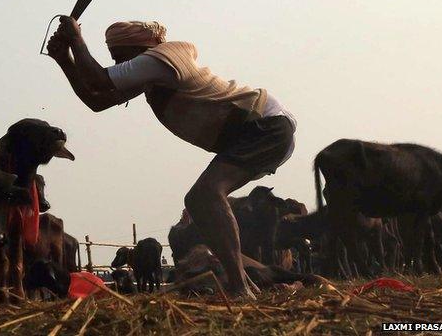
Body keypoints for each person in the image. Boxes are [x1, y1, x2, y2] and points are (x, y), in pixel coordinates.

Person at [47, 18, 296, 298]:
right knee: (199, 200)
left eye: (121, 58)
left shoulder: (161, 57)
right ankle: (243, 286)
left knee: (207, 195)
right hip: (252, 131)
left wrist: (76, 39)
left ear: (140, 47)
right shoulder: (152, 75)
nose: (120, 65)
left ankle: (239, 287)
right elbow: (97, 100)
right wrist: (64, 59)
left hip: (263, 124)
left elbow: (99, 79)